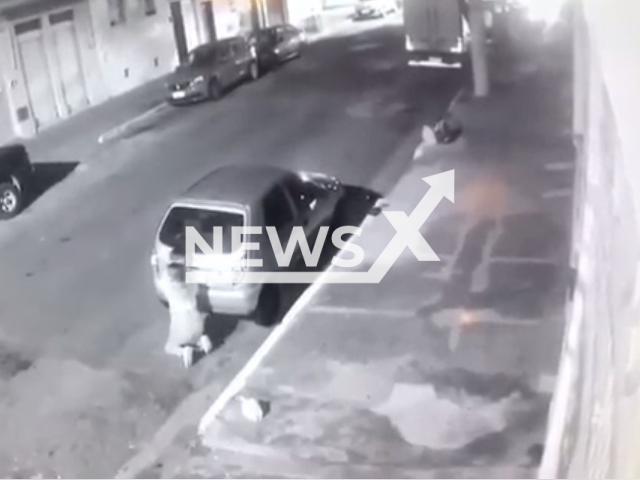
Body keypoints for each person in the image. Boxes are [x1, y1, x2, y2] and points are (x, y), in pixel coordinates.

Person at [162, 265, 213, 368]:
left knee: (169, 347)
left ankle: (184, 351)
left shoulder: (170, 289)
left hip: (181, 326)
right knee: (195, 333)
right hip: (197, 323)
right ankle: (202, 341)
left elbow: (162, 280)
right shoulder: (191, 286)